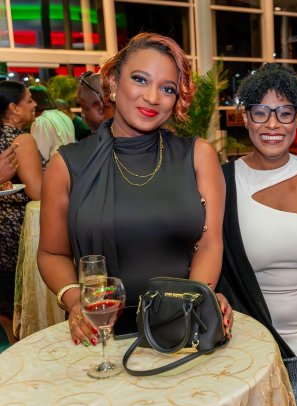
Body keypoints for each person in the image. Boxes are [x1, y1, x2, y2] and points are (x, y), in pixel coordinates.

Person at [37, 32, 233, 347]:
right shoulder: (68, 164)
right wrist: (75, 301)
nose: (153, 97)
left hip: (180, 325)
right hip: (100, 330)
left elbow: (209, 244)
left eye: (167, 88)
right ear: (113, 82)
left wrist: (195, 300)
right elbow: (52, 253)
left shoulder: (198, 155)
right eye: (140, 79)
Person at [216, 63, 297, 379]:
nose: (272, 124)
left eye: (285, 113)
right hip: (246, 344)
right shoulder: (222, 181)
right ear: (245, 117)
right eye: (261, 113)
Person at [0, 81, 45, 320]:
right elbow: (37, 191)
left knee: (6, 308)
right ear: (14, 109)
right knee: (22, 304)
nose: (34, 104)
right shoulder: (22, 140)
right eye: (28, 100)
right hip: (17, 228)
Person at [29, 85, 74, 162]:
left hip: (54, 168)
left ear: (35, 102)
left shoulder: (41, 121)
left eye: (29, 101)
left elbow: (40, 157)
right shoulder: (63, 116)